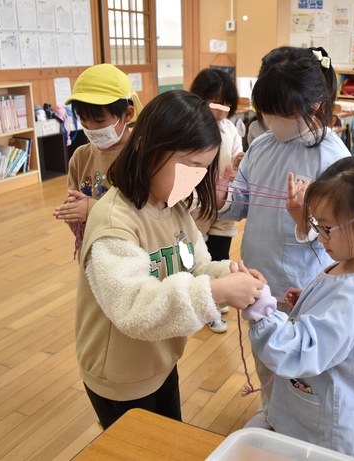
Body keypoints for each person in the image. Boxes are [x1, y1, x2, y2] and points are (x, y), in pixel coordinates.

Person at [74, 90, 264, 429]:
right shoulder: (114, 223)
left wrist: (230, 274)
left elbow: (198, 265)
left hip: (160, 359)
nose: (196, 178)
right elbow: (133, 309)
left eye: (203, 169)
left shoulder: (173, 207)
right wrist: (218, 292)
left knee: (169, 442)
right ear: (147, 147)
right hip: (120, 375)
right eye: (190, 166)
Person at [243, 156, 354, 460]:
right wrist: (309, 300)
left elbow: (301, 351)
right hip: (325, 414)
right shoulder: (352, 267)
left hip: (329, 432)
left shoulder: (353, 293)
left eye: (326, 227)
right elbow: (337, 321)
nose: (318, 235)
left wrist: (262, 309)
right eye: (316, 223)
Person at [217, 46, 351, 427]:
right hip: (258, 283)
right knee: (266, 358)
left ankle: (300, 425)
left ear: (316, 103)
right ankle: (270, 412)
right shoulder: (261, 146)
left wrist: (305, 221)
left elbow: (342, 241)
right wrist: (222, 194)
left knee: (304, 370)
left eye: (284, 111)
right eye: (267, 111)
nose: (273, 120)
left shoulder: (334, 160)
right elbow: (237, 208)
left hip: (304, 287)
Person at [53, 64, 142, 256]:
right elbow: (75, 198)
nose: (91, 128)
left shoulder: (141, 153)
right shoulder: (80, 156)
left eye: (100, 121)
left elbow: (147, 212)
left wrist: (93, 209)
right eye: (84, 120)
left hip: (133, 254)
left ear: (127, 114)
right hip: (95, 249)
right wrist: (72, 209)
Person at [189, 68, 245, 334]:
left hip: (223, 206)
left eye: (226, 106)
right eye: (216, 104)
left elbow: (237, 154)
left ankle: (217, 298)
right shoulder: (191, 127)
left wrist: (238, 162)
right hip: (197, 208)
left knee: (220, 255)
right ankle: (206, 306)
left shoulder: (230, 129)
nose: (222, 111)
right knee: (198, 257)